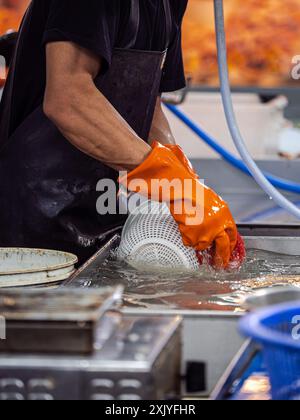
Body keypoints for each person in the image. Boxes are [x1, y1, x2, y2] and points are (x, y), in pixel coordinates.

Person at [0, 0, 238, 267]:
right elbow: (68, 100)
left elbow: (146, 105)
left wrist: (189, 185)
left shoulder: (170, 4)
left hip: (100, 211)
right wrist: (175, 186)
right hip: (31, 221)